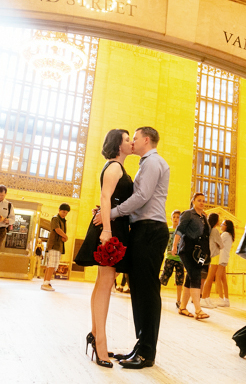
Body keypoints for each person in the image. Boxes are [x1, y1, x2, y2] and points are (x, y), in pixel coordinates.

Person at [94, 126, 170, 370]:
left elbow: (141, 197)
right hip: (142, 230)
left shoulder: (152, 162)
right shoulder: (145, 164)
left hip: (150, 229)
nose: (133, 142)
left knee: (147, 291)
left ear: (146, 139)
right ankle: (140, 345)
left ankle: (147, 352)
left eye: (135, 138)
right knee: (138, 290)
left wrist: (112, 214)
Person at [74, 129, 134, 368]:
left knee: (103, 284)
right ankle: (100, 342)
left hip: (113, 224)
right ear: (118, 145)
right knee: (105, 284)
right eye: (127, 140)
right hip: (111, 228)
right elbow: (106, 197)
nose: (130, 143)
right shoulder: (114, 167)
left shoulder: (116, 167)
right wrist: (107, 231)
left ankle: (94, 333)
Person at [172, 192, 212, 321]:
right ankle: (198, 310)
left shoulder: (203, 217)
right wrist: (174, 246)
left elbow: (208, 234)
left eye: (203, 200)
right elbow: (180, 229)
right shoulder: (188, 214)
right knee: (195, 275)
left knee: (191, 276)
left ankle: (183, 307)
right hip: (188, 249)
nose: (202, 203)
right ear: (193, 201)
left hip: (200, 252)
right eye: (199, 200)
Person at [159, 209, 184, 308]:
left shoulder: (182, 232)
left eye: (178, 217)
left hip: (180, 259)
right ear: (171, 218)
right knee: (164, 277)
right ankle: (157, 296)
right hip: (169, 257)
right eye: (174, 217)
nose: (176, 219)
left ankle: (178, 300)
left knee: (180, 280)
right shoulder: (168, 230)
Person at [42, 203, 70, 291]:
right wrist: (65, 236)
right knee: (51, 265)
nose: (64, 214)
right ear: (59, 210)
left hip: (58, 246)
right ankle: (46, 283)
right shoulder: (55, 218)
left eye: (66, 213)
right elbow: (57, 229)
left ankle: (46, 282)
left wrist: (64, 237)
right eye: (63, 212)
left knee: (52, 265)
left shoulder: (63, 220)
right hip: (54, 245)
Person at [200, 213, 224, 309]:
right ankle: (204, 299)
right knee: (209, 278)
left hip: (211, 255)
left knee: (209, 278)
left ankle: (207, 298)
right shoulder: (214, 230)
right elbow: (221, 245)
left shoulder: (209, 230)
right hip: (214, 255)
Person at [213, 219, 235, 307]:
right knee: (223, 279)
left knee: (218, 277)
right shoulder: (229, 235)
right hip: (225, 258)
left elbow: (218, 242)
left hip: (221, 258)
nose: (221, 225)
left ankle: (221, 299)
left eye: (223, 224)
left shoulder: (225, 234)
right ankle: (226, 299)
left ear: (227, 226)